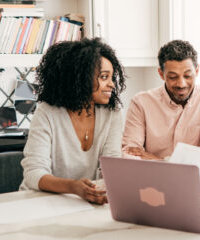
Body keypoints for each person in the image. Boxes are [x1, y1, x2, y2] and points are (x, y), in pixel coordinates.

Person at [20, 38, 126, 205]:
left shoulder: (113, 113)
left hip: (86, 202)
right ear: (80, 78)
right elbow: (33, 173)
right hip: (42, 202)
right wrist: (73, 187)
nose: (112, 84)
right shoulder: (47, 113)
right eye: (104, 77)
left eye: (112, 77)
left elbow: (112, 166)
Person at [122, 40, 200, 160]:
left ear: (196, 71)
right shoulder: (141, 102)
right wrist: (194, 157)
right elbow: (130, 153)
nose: (181, 84)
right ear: (161, 74)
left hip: (195, 178)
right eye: (173, 77)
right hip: (153, 178)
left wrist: (159, 160)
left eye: (187, 76)